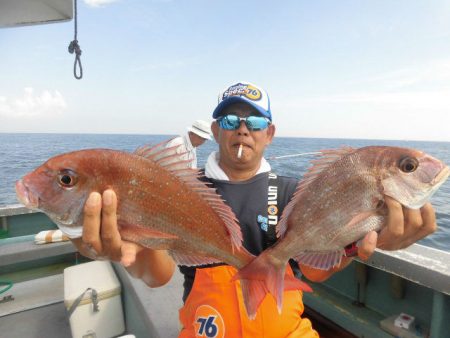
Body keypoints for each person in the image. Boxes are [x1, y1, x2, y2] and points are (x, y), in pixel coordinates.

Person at [72, 82, 437, 337]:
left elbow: (312, 268)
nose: (243, 128)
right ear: (215, 131)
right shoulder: (183, 190)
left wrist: (355, 243)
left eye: (255, 121)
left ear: (270, 133)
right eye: (230, 120)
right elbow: (159, 276)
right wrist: (129, 250)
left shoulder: (294, 193)